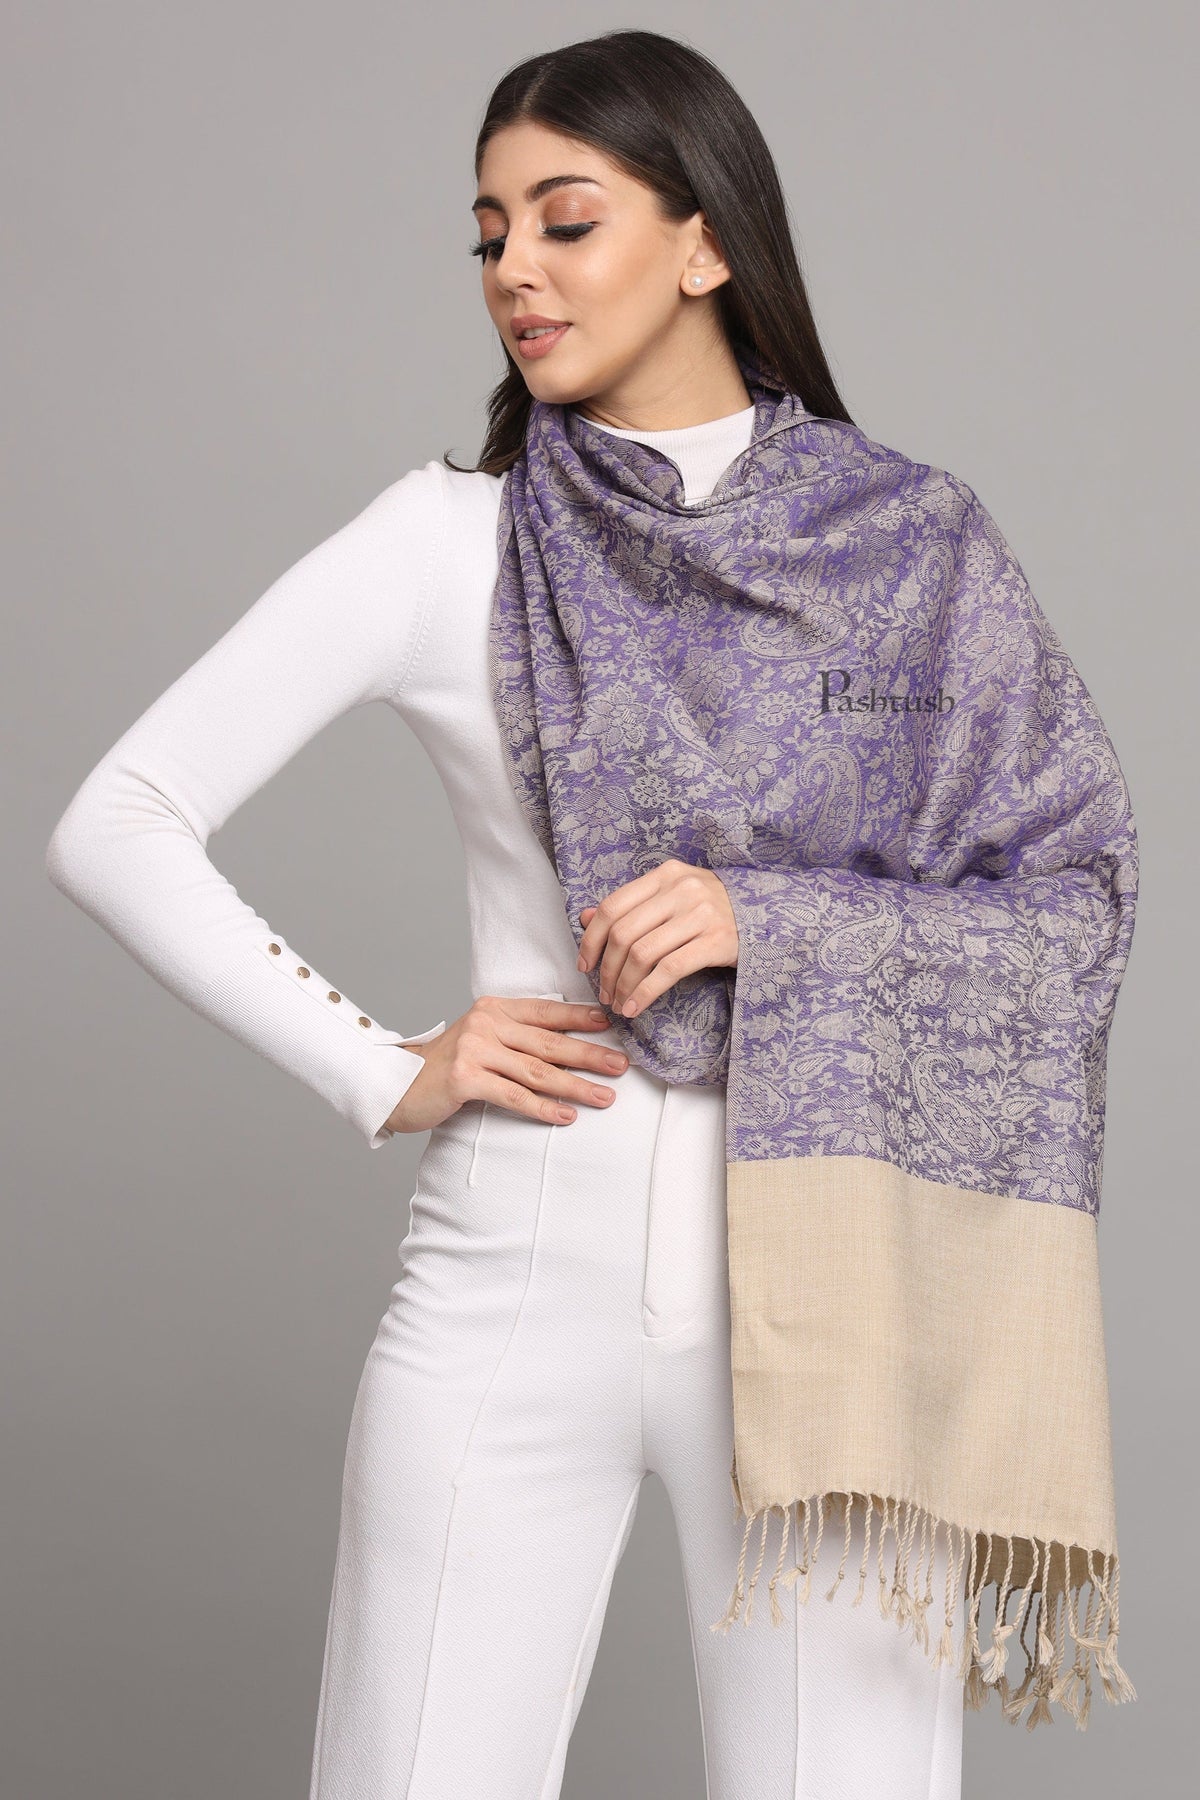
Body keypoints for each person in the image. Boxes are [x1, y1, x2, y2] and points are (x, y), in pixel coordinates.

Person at [45, 29, 974, 1800]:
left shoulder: (903, 555)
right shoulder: (447, 543)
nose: (514, 273)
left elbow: (1051, 894)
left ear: (706, 242)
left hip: (837, 1291)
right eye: (488, 236)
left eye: (565, 219)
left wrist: (773, 923)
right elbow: (121, 821)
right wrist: (381, 1065)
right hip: (512, 1282)